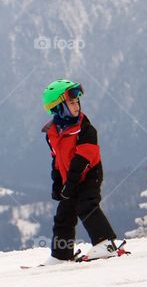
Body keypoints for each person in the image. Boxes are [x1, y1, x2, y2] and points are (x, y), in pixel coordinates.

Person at [40, 79, 123, 264]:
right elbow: (56, 159)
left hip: (89, 175)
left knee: (86, 205)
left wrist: (71, 184)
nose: (76, 105)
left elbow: (83, 160)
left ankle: (105, 243)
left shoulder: (85, 129)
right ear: (58, 108)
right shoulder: (52, 133)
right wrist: (58, 183)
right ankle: (61, 255)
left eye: (77, 101)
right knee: (64, 215)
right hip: (69, 178)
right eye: (71, 102)